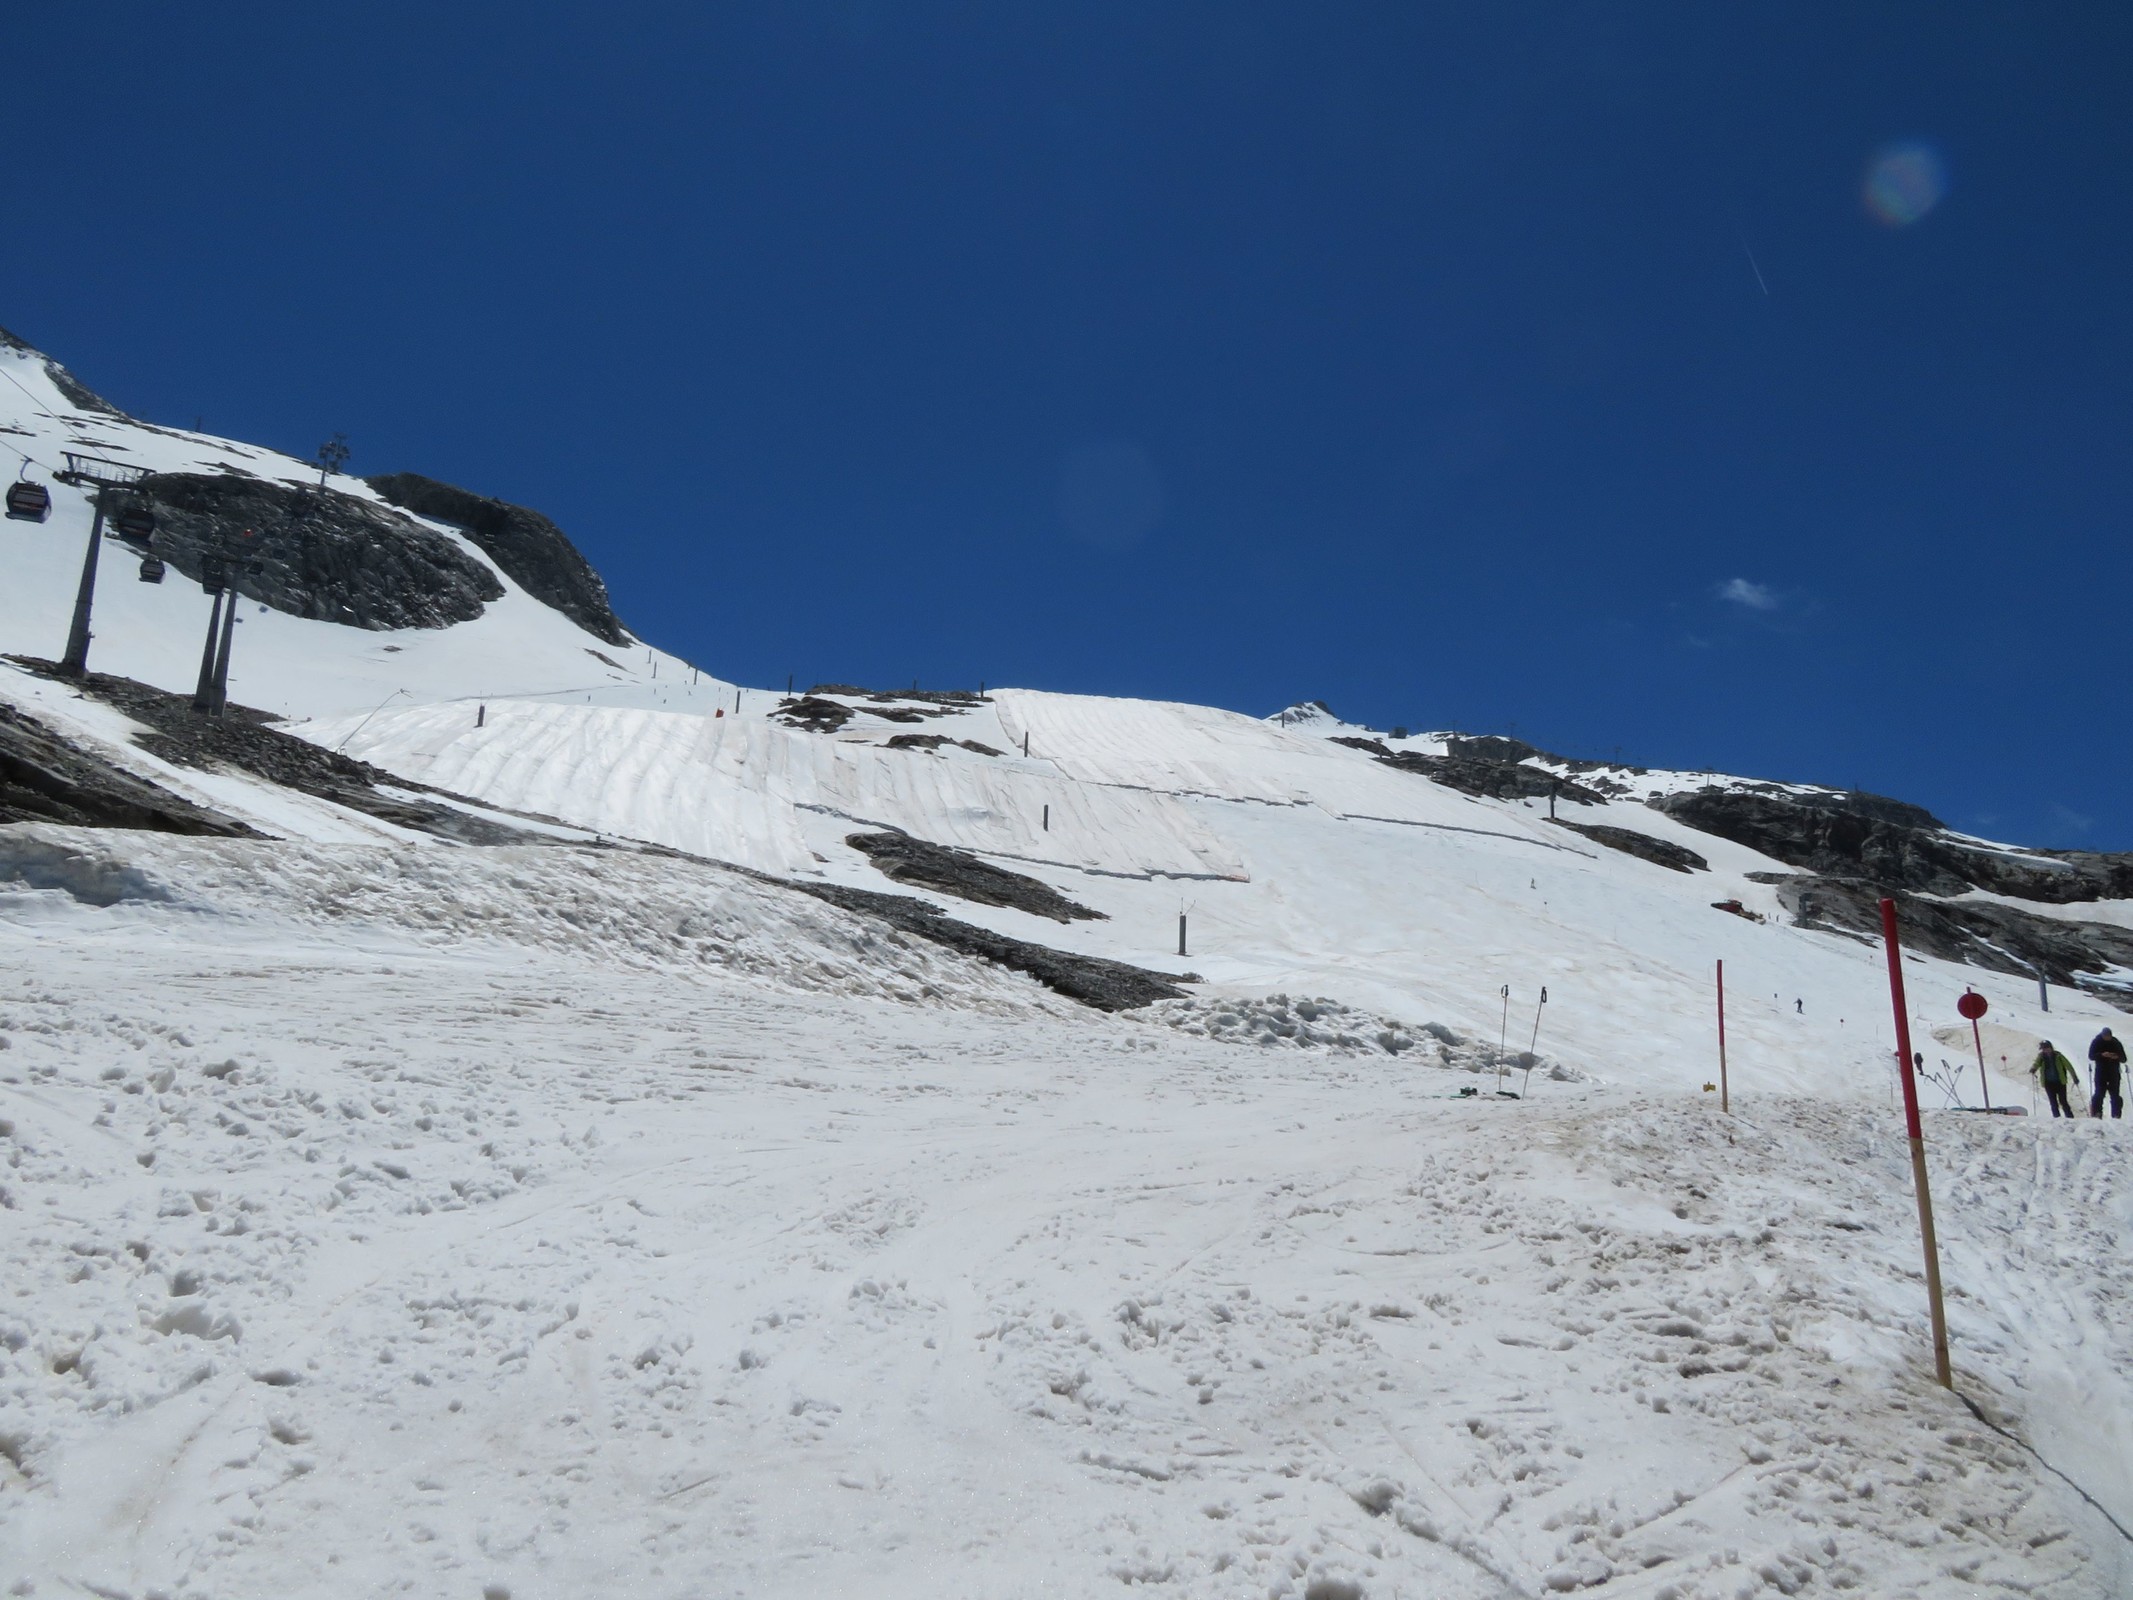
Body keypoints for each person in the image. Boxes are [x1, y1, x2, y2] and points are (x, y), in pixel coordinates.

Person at [2032, 1041, 2080, 1118]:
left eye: (2047, 1048)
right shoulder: (2041, 1057)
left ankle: (2070, 1117)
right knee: (2053, 1102)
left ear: (2051, 1048)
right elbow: (2036, 1064)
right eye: (2044, 1049)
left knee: (2063, 1101)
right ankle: (2057, 1118)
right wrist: (2033, 1068)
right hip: (2048, 1083)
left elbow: (2069, 1066)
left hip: (2060, 1082)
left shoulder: (2059, 1056)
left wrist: (2074, 1077)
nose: (2046, 1050)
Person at [2089, 1027, 2126, 1120]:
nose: (2107, 1037)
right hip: (2101, 1072)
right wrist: (2101, 1055)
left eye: (2108, 1036)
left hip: (2113, 1072)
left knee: (2115, 1095)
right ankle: (2097, 1113)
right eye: (2105, 1036)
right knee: (2099, 1093)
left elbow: (2124, 1058)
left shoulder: (2116, 1042)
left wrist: (2116, 1056)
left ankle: (2116, 1114)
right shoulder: (2097, 1042)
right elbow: (2091, 1056)